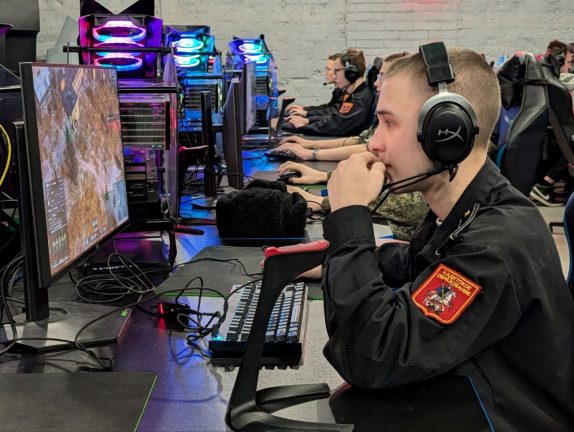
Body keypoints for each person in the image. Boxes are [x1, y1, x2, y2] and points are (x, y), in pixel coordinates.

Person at [321, 43, 574, 430]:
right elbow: (418, 261)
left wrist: (350, 219)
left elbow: (371, 353)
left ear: (444, 133)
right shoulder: (470, 209)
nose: (374, 143)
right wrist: (336, 256)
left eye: (389, 123)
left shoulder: (492, 248)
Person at [283, 48, 374, 137]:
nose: (334, 76)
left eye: (337, 71)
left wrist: (303, 126)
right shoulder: (354, 94)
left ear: (350, 73)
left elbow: (337, 125)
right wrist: (308, 121)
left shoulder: (360, 99)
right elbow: (335, 117)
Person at [530, 41, 574, 206]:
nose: (570, 67)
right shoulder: (564, 87)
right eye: (570, 62)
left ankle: (546, 184)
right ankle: (545, 184)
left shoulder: (557, 84)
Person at [286, 53, 345, 118]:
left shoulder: (346, 92)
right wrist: (304, 109)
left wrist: (306, 114)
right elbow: (327, 108)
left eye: (329, 69)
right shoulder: (338, 90)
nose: (326, 73)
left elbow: (332, 113)